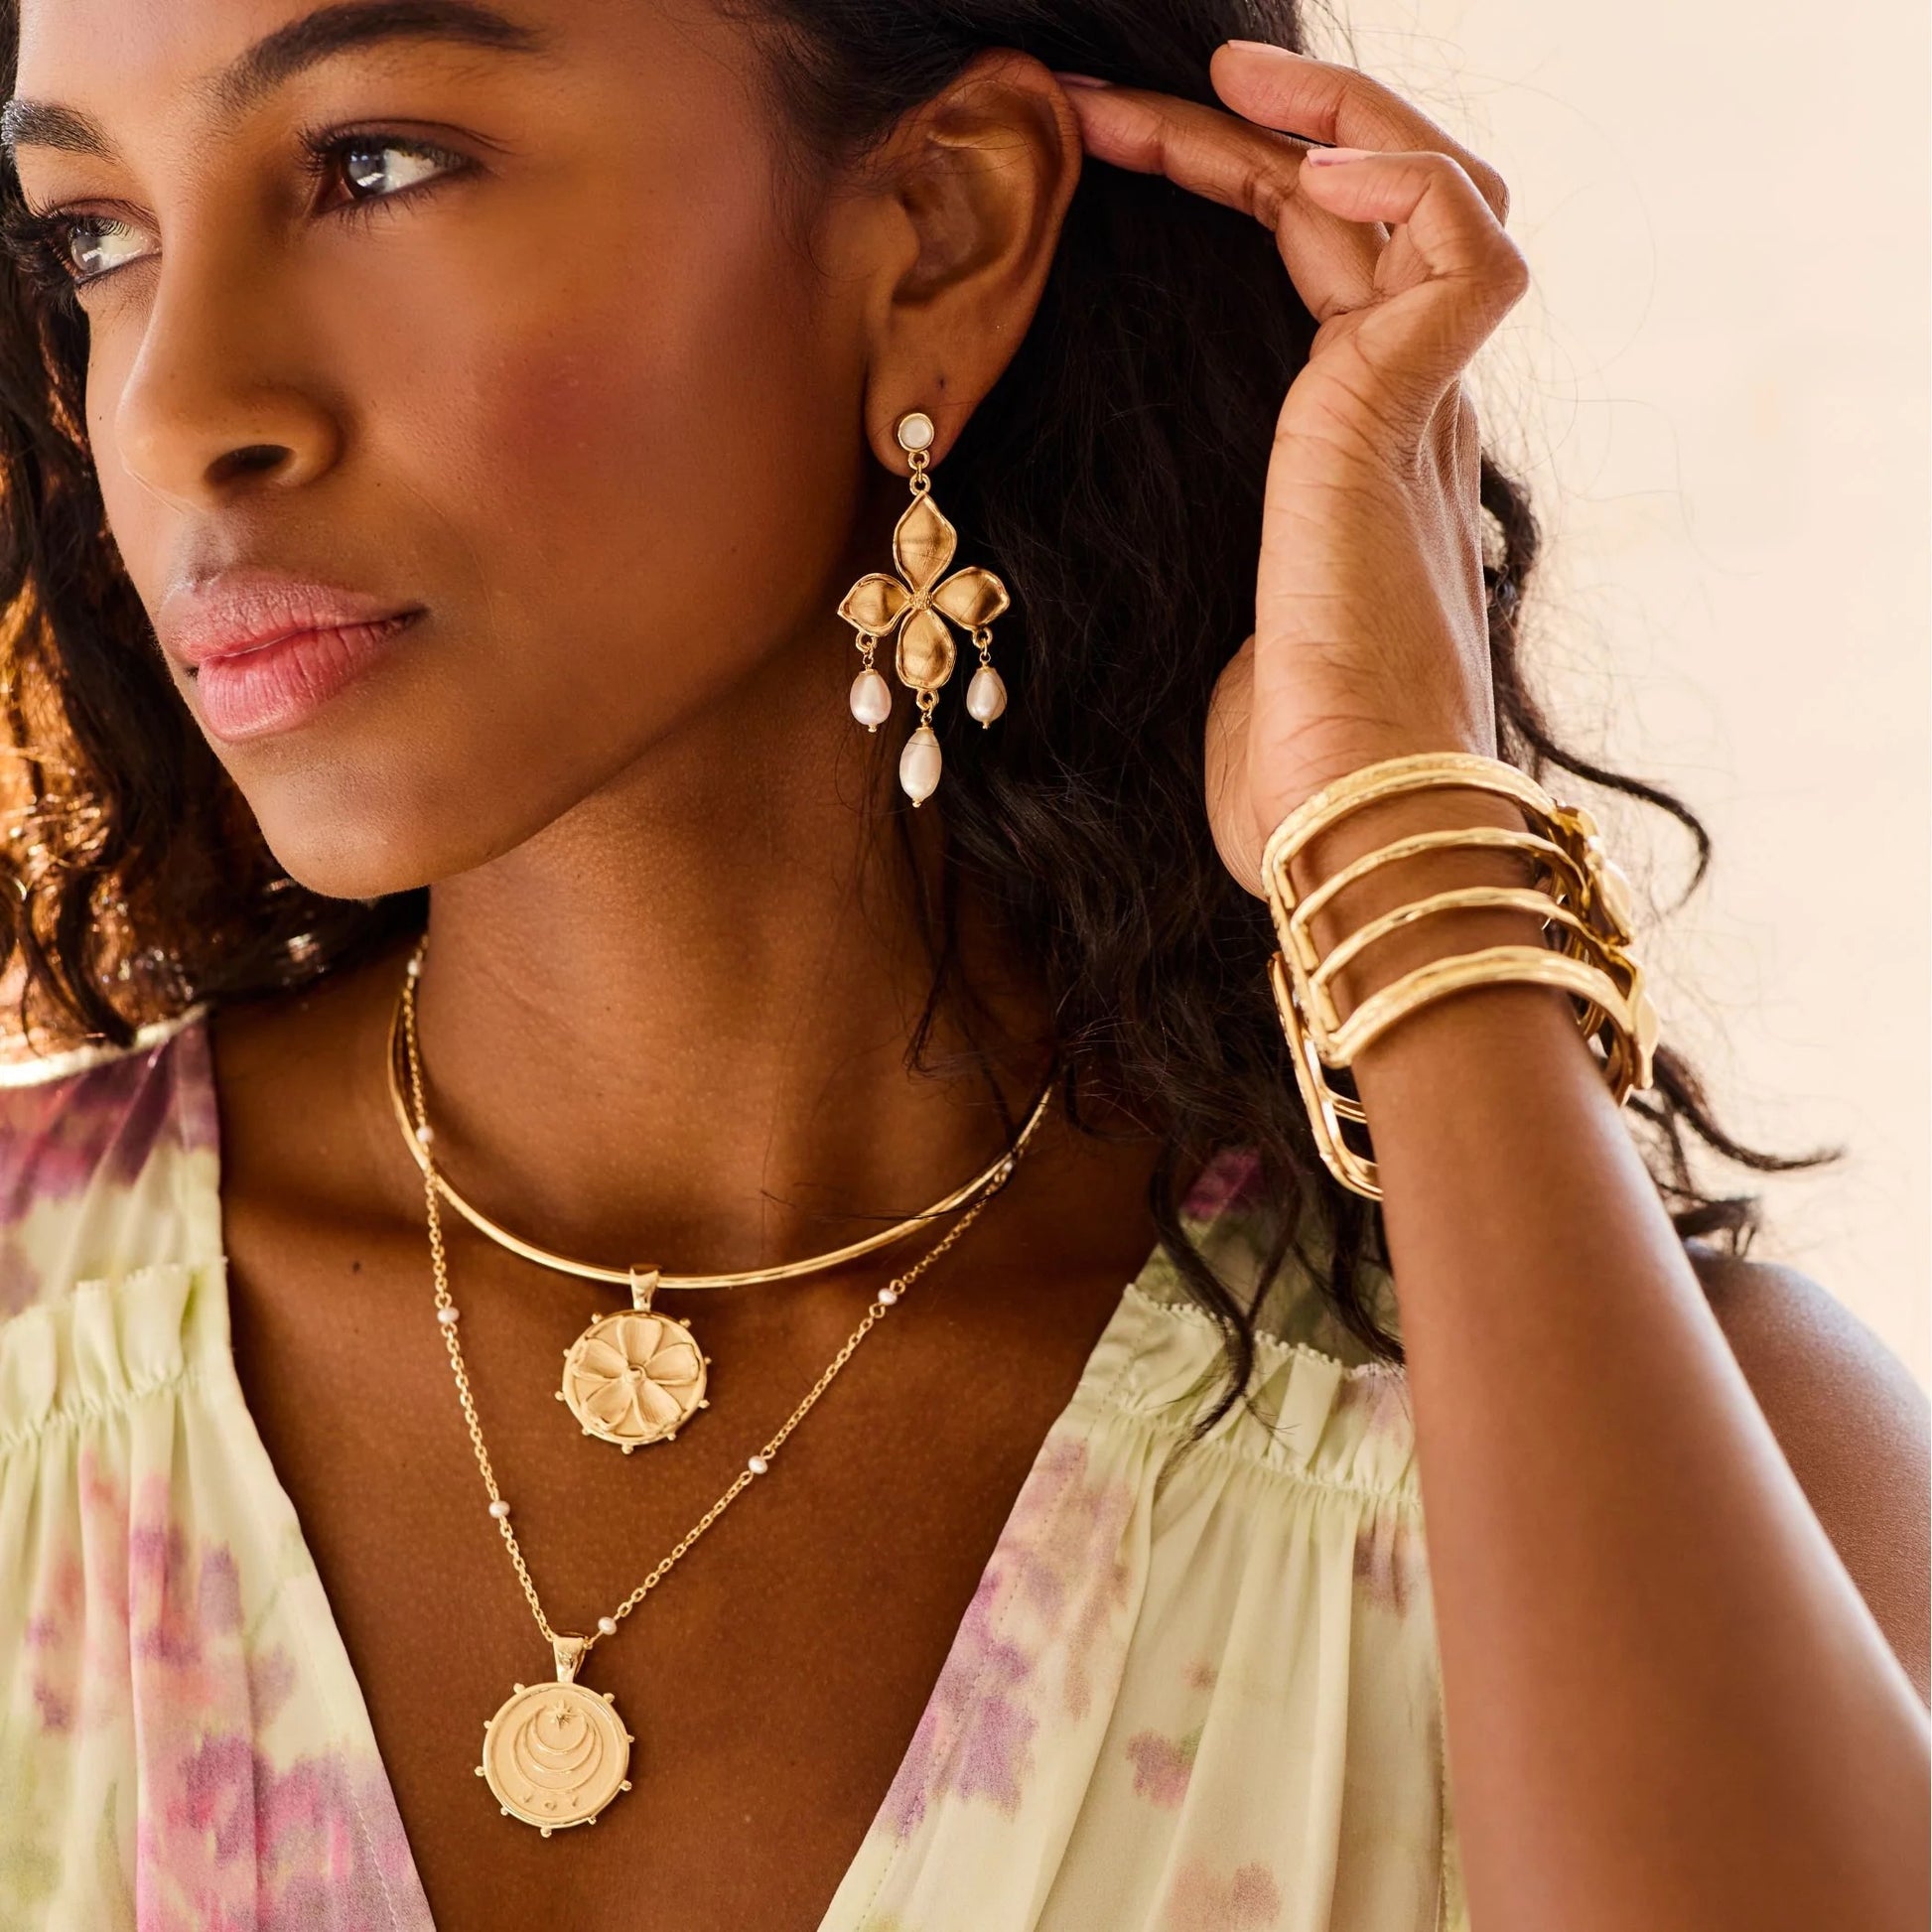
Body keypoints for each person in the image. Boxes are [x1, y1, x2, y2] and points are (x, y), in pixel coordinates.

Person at [0, 2, 1923, 1927]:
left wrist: (1404, 850)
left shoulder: (1652, 1466)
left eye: (372, 167)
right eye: (93, 235)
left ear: (934, 230)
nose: (174, 413)